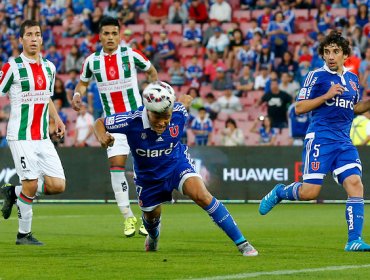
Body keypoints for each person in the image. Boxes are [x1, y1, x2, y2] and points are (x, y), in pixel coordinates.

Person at [94, 81, 258, 256]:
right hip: (148, 178)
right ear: (148, 110)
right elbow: (100, 122)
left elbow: (184, 102)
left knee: (202, 196)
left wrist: (186, 99)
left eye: (167, 115)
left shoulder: (178, 112)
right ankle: (153, 236)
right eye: (158, 117)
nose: (163, 122)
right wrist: (102, 136)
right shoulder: (131, 120)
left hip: (176, 165)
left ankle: (242, 243)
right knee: (151, 218)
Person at [259, 31, 370, 251]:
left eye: (336, 51)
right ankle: (280, 192)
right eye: (327, 52)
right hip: (320, 138)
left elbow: (354, 108)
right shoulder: (316, 76)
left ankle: (354, 240)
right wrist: (326, 96)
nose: (331, 56)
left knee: (356, 185)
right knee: (310, 193)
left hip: (343, 142)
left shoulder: (352, 80)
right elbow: (299, 108)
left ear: (345, 55)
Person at [72, 17, 158, 238]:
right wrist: (77, 94)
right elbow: (83, 82)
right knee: (116, 165)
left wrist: (153, 93)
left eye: (114, 33)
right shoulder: (92, 61)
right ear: (99, 36)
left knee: (146, 170)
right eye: (106, 33)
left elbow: (151, 71)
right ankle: (128, 216)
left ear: (119, 35)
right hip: (113, 122)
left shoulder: (131, 54)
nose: (110, 37)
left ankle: (147, 217)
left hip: (139, 119)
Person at [0, 20, 66, 245]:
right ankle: (23, 235)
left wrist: (57, 119)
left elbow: (46, 96)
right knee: (30, 183)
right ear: (21, 39)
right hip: (20, 135)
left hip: (42, 137)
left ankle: (13, 192)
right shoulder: (12, 67)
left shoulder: (50, 67)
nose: (34, 38)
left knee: (58, 185)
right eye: (29, 34)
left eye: (37, 34)